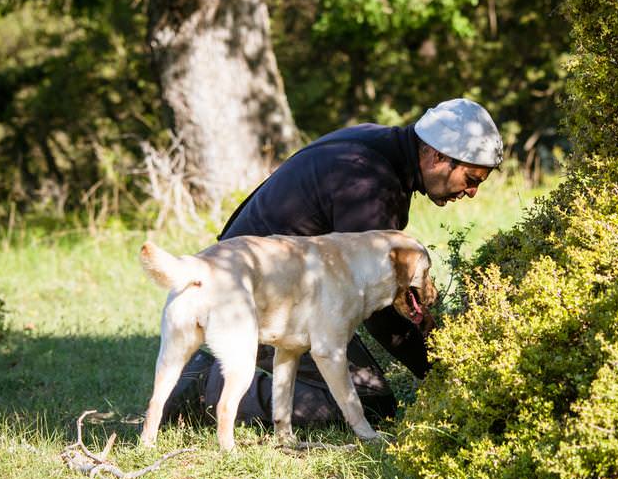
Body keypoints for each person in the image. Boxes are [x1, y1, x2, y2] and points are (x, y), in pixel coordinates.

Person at [158, 98, 503, 429]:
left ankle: (209, 376)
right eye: (471, 180)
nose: (471, 192)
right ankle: (201, 386)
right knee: (371, 403)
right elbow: (381, 313)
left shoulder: (378, 146)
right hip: (251, 298)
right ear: (438, 156)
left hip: (260, 282)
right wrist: (440, 372)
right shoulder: (371, 182)